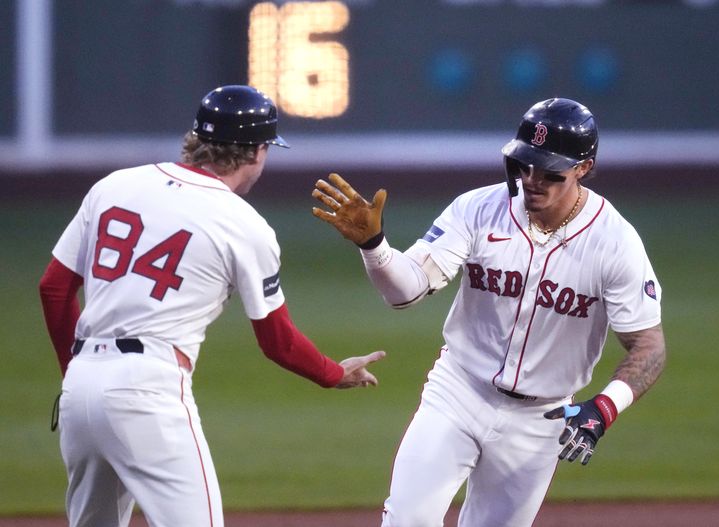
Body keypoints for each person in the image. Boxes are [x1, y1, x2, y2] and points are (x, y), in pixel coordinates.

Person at [39, 84, 385, 527]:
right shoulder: (244, 224)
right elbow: (277, 341)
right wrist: (334, 373)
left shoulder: (114, 186)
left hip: (81, 385)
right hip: (148, 389)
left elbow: (54, 288)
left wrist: (76, 374)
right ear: (256, 151)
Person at [312, 97, 666, 526]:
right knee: (407, 519)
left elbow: (649, 345)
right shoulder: (478, 209)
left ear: (584, 167)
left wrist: (605, 408)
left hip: (541, 418)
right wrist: (375, 247)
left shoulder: (615, 242)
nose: (532, 179)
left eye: (549, 171)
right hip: (458, 393)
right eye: (524, 164)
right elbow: (406, 292)